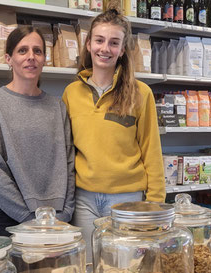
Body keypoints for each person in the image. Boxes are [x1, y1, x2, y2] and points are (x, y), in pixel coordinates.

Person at [62, 2, 165, 261]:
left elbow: (152, 152)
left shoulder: (141, 94)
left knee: (125, 266)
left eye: (113, 43)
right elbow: (65, 151)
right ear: (88, 45)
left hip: (128, 201)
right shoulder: (71, 93)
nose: (104, 48)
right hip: (83, 200)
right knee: (87, 265)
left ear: (122, 50)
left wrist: (154, 207)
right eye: (99, 40)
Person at [0, 26, 75, 236]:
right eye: (23, 51)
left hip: (56, 217)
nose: (31, 57)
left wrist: (65, 214)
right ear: (8, 58)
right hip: (7, 217)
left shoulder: (57, 106)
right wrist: (30, 219)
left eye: (37, 51)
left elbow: (69, 163)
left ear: (44, 59)